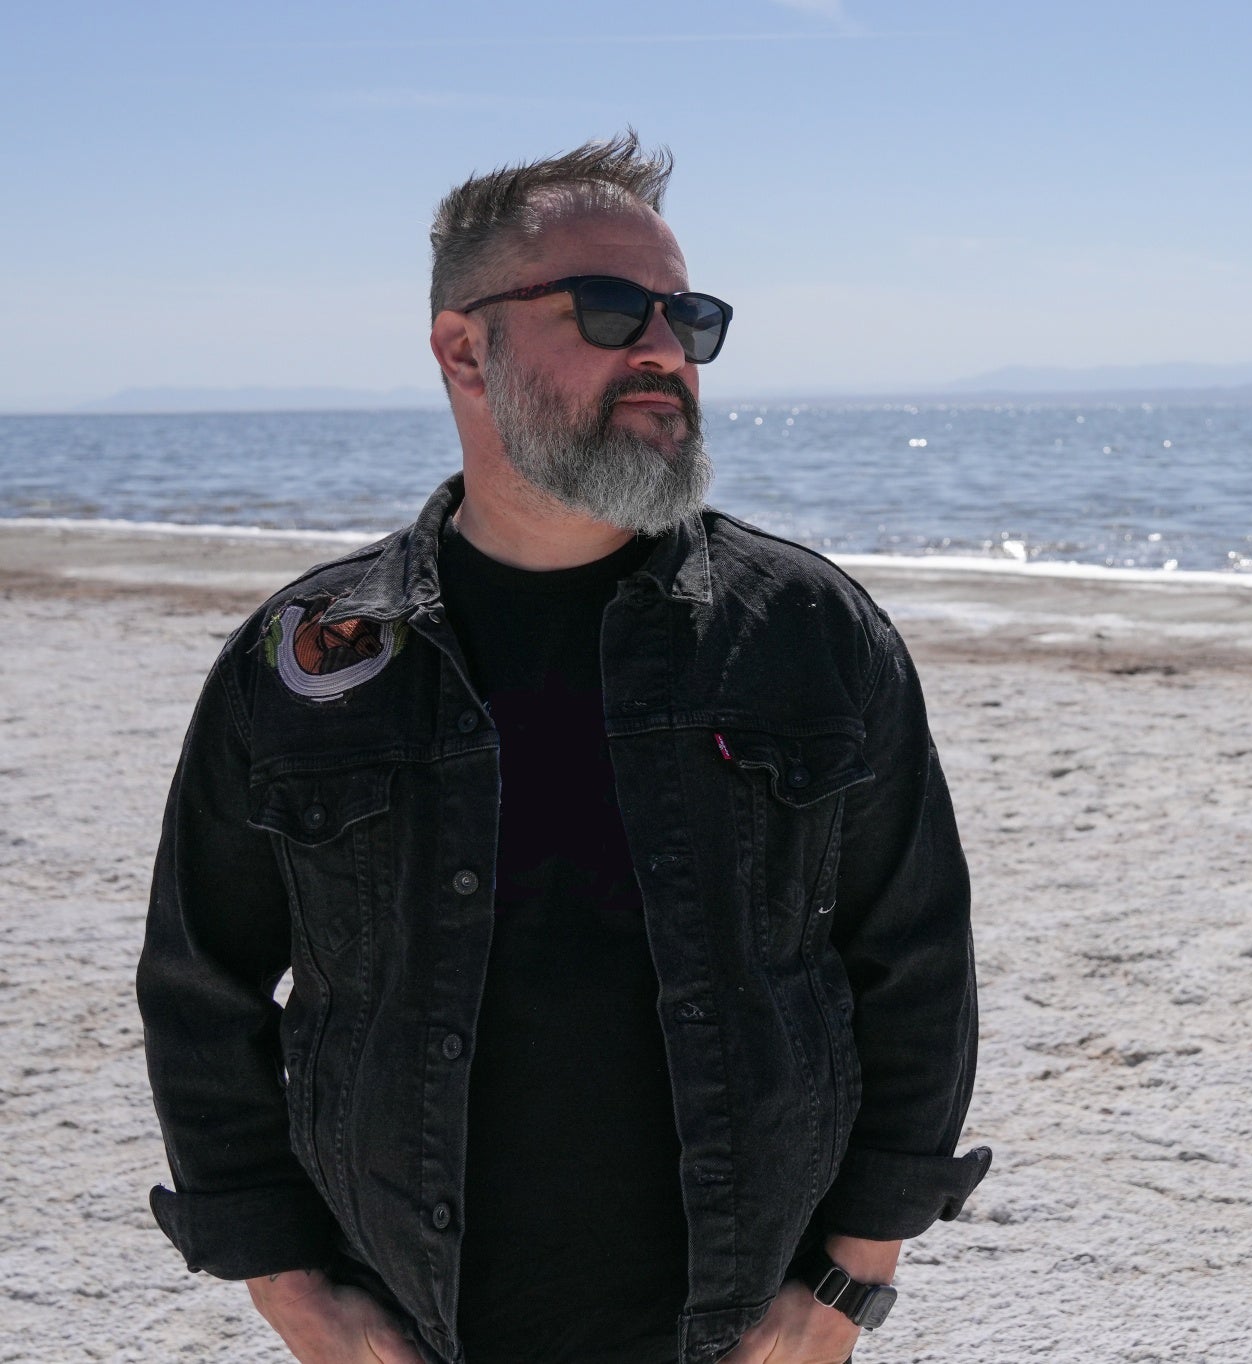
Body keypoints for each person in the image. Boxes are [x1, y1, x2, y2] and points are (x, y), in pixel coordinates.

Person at [135, 132, 987, 1364]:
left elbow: (915, 959)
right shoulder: (309, 656)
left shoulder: (806, 630)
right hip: (415, 1323)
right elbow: (200, 984)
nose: (664, 348)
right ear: (461, 349)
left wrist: (850, 1284)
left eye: (687, 316)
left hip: (736, 1325)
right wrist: (290, 1286)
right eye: (609, 307)